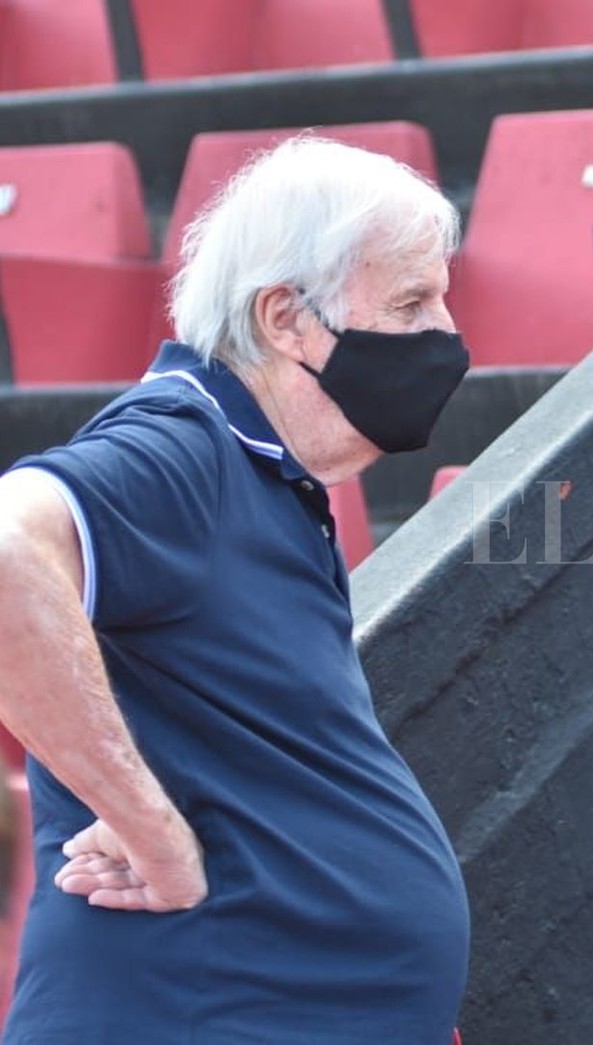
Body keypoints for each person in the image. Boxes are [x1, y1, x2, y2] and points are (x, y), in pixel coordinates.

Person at [0, 137, 472, 1042]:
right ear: (285, 318)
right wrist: (153, 833)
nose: (445, 336)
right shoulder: (186, 445)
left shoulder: (270, 476)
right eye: (412, 301)